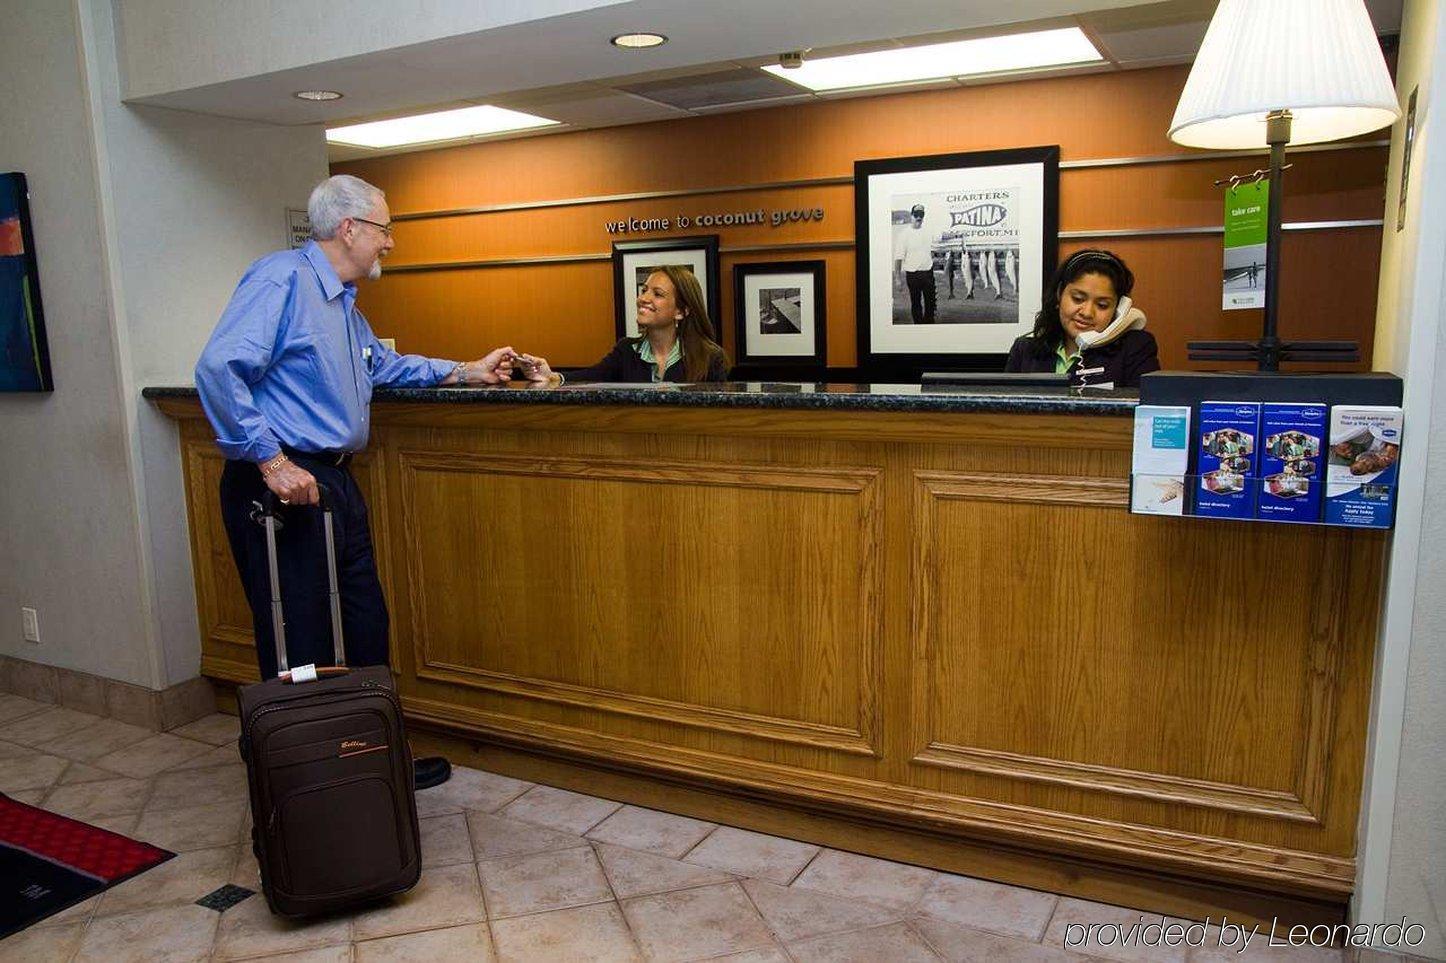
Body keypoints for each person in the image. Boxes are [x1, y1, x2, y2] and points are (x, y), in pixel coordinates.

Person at [195, 174, 519, 790]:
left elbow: (383, 366)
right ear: (349, 229)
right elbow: (218, 367)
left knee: (365, 624)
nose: (389, 243)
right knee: (303, 641)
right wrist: (270, 461)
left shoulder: (341, 301)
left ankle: (371, 761)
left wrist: (465, 371)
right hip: (283, 487)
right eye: (384, 229)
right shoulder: (281, 280)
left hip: (336, 484)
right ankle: (312, 782)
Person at [521, 265, 729, 383]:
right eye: (645, 290)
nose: (643, 298)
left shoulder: (710, 357)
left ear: (681, 312)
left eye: (657, 294)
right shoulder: (626, 350)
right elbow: (591, 377)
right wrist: (551, 376)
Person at [1004, 249, 1160, 388]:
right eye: (1078, 299)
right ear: (1059, 294)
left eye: (1102, 305)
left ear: (1119, 309)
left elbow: (1146, 414)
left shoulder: (1135, 348)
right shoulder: (1025, 349)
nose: (1087, 312)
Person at [895, 203, 936, 323]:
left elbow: (935, 249)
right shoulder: (903, 235)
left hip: (928, 272)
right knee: (916, 302)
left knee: (930, 303)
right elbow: (898, 258)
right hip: (912, 275)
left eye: (921, 215)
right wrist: (897, 279)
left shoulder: (928, 232)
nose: (919, 218)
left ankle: (929, 325)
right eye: (916, 215)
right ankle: (918, 327)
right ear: (911, 216)